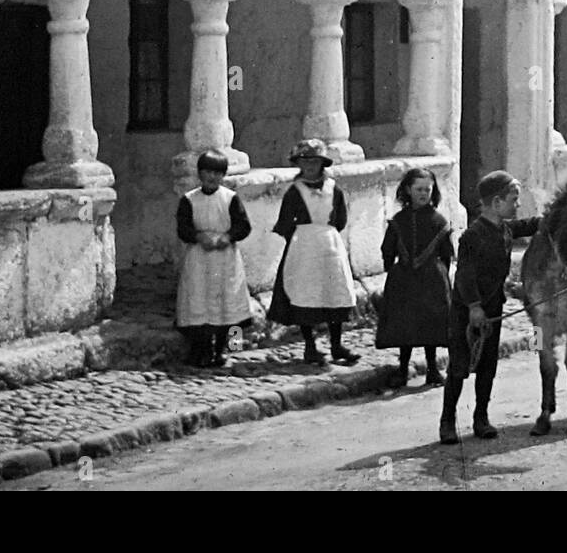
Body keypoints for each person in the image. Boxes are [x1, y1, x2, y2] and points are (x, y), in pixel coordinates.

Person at [439, 170, 541, 445]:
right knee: (460, 367)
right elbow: (465, 276)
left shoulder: (504, 230)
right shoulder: (472, 236)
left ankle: (480, 418)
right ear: (496, 203)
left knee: (487, 366)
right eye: (513, 199)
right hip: (467, 312)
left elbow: (532, 225)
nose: (517, 205)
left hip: (493, 309)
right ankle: (447, 422)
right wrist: (474, 306)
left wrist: (559, 218)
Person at [267, 139, 361, 366]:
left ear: (322, 164)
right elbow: (285, 222)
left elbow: (340, 219)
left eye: (314, 162)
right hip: (304, 247)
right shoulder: (294, 192)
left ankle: (337, 345)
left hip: (329, 246)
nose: (309, 166)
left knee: (334, 291)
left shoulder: (333, 190)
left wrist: (325, 233)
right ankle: (310, 346)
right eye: (304, 162)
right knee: (304, 292)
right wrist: (301, 237)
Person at [375, 168, 452, 388]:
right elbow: (387, 250)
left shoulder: (439, 221)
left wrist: (442, 276)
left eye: (427, 189)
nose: (423, 194)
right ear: (408, 190)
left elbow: (446, 253)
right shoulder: (398, 221)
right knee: (404, 324)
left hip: (431, 281)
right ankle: (403, 368)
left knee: (431, 324)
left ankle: (432, 369)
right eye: (418, 189)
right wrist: (392, 271)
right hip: (404, 280)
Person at [176, 149, 253, 368]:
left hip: (225, 258)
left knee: (227, 303)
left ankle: (224, 349)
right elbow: (183, 229)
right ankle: (201, 350)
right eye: (208, 172)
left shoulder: (230, 198)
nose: (212, 177)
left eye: (217, 173)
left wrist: (227, 237)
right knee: (199, 302)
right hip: (199, 258)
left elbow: (244, 226)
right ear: (200, 174)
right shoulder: (189, 200)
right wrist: (198, 236)